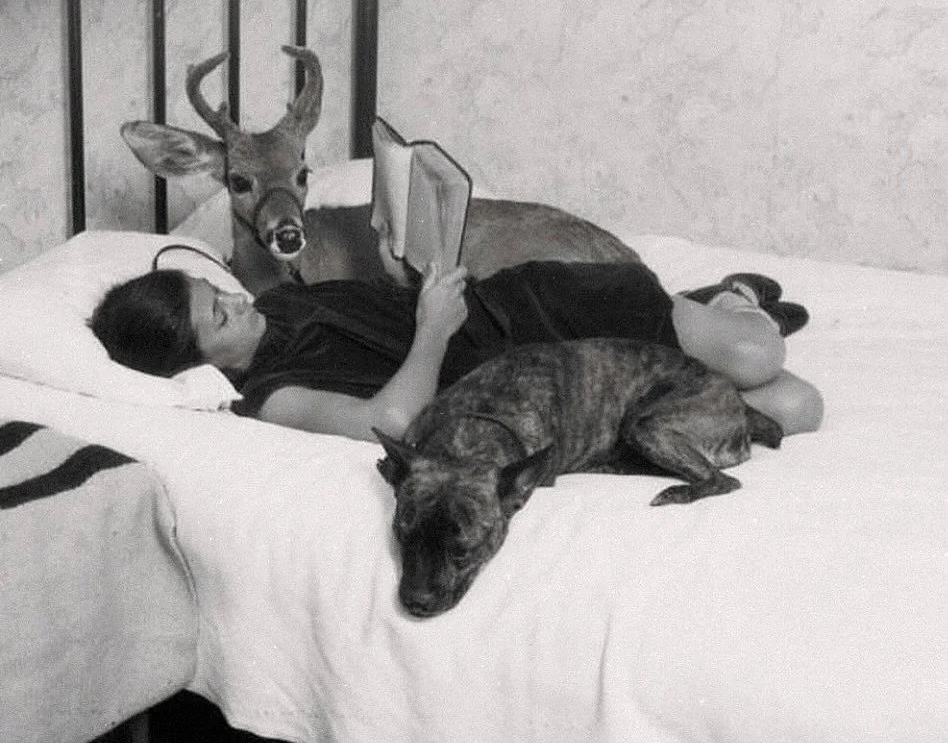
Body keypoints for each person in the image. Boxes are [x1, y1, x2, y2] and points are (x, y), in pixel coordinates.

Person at [91, 242, 823, 444]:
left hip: (532, 308)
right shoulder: (271, 397)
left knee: (763, 358)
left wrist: (408, 278)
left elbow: (378, 314)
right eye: (219, 316)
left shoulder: (282, 298)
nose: (236, 299)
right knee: (796, 406)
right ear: (199, 365)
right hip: (540, 374)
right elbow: (391, 421)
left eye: (217, 289)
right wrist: (433, 329)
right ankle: (719, 306)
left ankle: (733, 298)